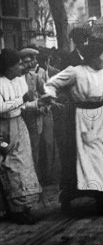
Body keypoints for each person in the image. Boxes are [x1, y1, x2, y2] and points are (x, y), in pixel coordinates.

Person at [44, 38, 103, 215]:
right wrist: (50, 95)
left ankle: (102, 198)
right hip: (80, 116)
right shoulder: (75, 72)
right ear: (93, 57)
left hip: (100, 116)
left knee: (101, 155)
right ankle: (71, 193)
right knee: (80, 156)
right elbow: (52, 83)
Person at [0, 49, 52, 224]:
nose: (21, 67)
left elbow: (21, 107)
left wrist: (38, 103)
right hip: (4, 127)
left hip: (19, 124)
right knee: (10, 167)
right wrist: (20, 101)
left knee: (24, 165)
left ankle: (25, 206)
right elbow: (2, 107)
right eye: (18, 64)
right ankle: (14, 209)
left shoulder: (19, 81)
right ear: (8, 67)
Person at [19, 48, 55, 185]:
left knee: (42, 147)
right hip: (21, 119)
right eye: (28, 61)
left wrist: (45, 107)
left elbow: (48, 95)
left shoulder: (35, 77)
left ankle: (43, 178)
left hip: (37, 118)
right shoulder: (13, 79)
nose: (32, 63)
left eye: (33, 60)